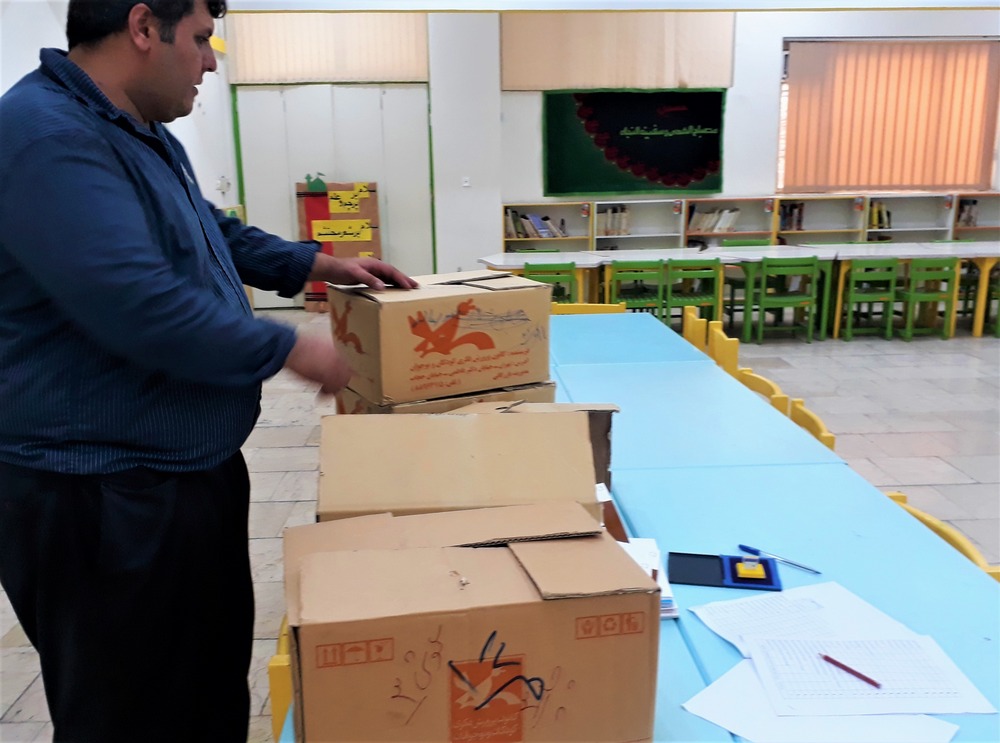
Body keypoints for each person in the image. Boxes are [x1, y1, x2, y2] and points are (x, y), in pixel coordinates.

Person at [0, 1, 417, 739]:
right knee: (129, 711)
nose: (210, 63)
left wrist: (318, 264)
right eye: (200, 40)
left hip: (180, 471)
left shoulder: (139, 129)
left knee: (204, 687)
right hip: (98, 492)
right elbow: (133, 299)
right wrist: (288, 348)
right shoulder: (46, 137)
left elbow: (207, 229)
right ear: (142, 27)